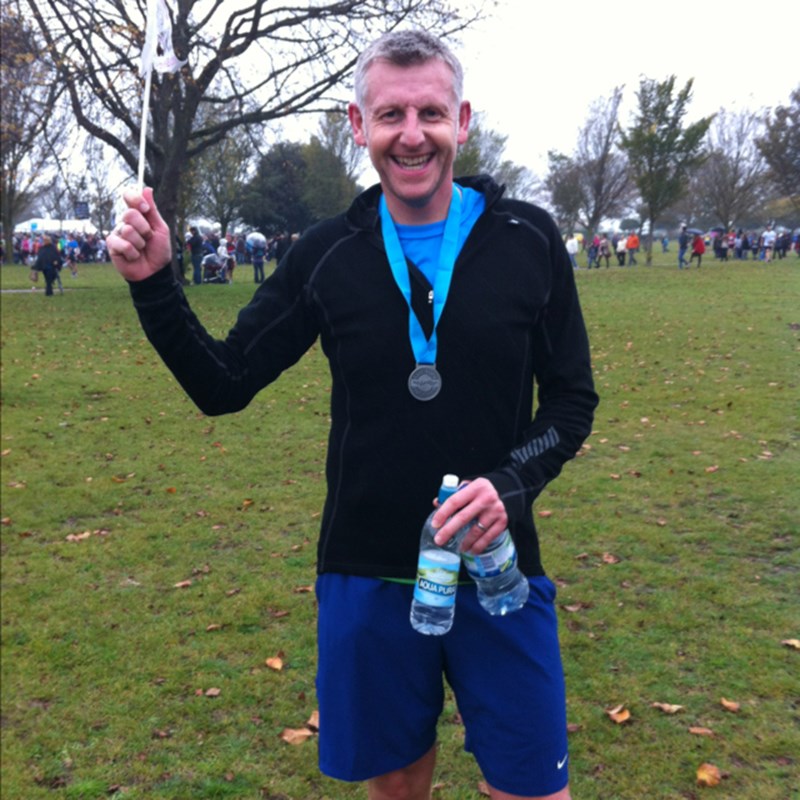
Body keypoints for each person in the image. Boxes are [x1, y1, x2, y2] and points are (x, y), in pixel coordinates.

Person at [107, 29, 597, 800]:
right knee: (396, 790)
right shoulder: (326, 254)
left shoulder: (527, 238)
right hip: (367, 578)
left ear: (462, 120)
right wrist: (155, 284)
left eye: (430, 113)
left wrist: (511, 484)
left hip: (498, 570)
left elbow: (571, 400)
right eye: (391, 114)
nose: (412, 134)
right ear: (358, 125)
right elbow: (223, 382)